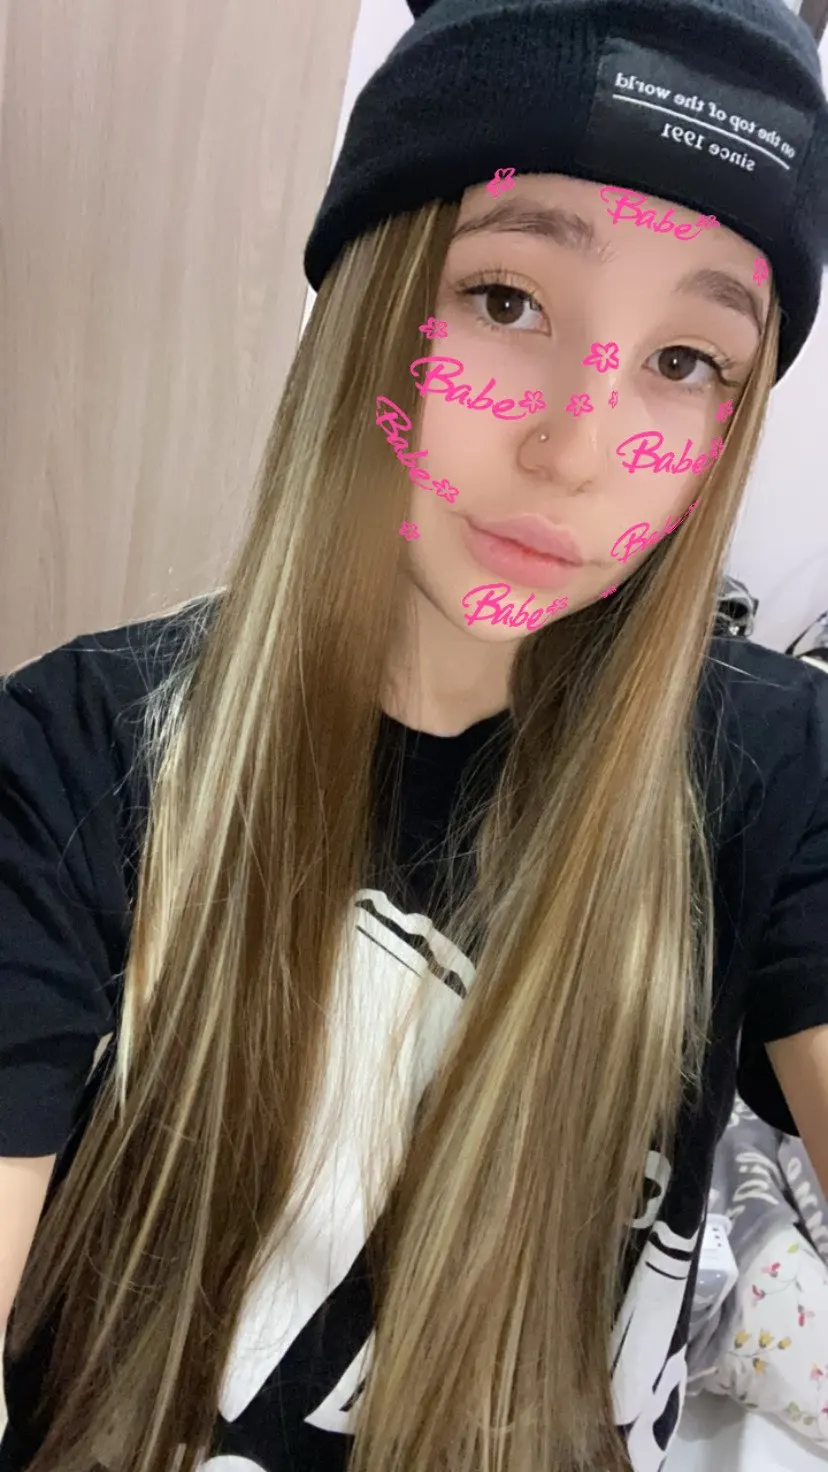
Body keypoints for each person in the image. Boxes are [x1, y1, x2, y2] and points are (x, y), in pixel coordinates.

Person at [1, 0, 827, 1468]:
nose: (576, 451)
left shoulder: (783, 771)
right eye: (506, 301)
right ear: (369, 302)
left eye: (687, 362)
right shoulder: (75, 757)